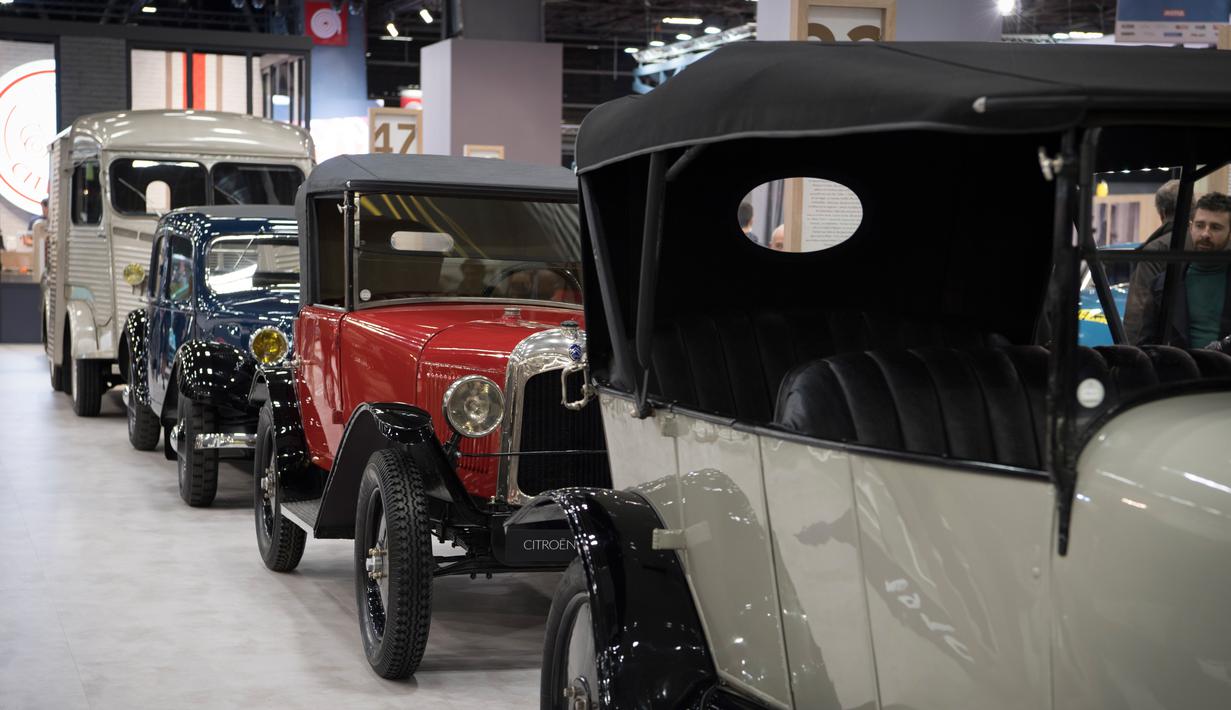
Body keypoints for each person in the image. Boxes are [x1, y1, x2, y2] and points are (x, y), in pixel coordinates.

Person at [1135, 192, 1231, 348]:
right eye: (1200, 225)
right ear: (1191, 227)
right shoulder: (1163, 283)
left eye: (1215, 227)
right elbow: (1146, 343)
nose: (1205, 234)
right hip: (1180, 369)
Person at [1124, 179, 1180, 343]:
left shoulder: (1157, 249)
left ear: (1162, 213)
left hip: (1160, 348)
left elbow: (1139, 309)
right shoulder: (1207, 246)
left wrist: (1128, 354)